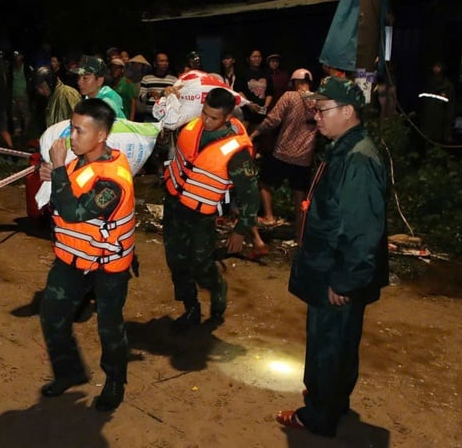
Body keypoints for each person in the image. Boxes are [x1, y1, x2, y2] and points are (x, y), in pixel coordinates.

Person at [276, 76, 388, 438]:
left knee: (328, 344)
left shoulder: (358, 158)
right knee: (338, 343)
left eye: (322, 109)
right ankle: (332, 400)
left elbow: (361, 229)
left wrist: (344, 280)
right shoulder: (345, 148)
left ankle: (318, 415)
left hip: (335, 275)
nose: (316, 116)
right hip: (331, 269)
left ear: (348, 111)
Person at [37, 98, 136, 412]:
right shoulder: (79, 161)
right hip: (72, 259)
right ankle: (68, 373)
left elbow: (73, 211)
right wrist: (54, 173)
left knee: (109, 326)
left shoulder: (114, 180)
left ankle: (115, 381)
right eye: (71, 128)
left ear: (101, 135)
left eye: (80, 131)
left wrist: (57, 169)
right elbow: (69, 188)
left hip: (107, 266)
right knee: (52, 314)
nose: (72, 136)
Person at [162, 87, 268, 331]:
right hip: (174, 204)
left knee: (200, 264)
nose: (206, 121)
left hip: (201, 215)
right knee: (176, 260)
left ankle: (217, 288)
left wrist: (240, 231)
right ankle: (191, 308)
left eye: (213, 118)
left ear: (228, 117)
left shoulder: (237, 153)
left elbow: (250, 197)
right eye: (204, 114)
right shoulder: (193, 127)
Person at [249, 68, 318, 239]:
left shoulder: (289, 96)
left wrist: (254, 134)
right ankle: (299, 232)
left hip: (283, 152)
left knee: (263, 183)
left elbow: (272, 120)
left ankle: (269, 217)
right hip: (304, 157)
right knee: (300, 194)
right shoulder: (319, 100)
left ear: (294, 82)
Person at [419, 60, 456, 143]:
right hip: (426, 126)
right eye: (435, 67)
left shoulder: (448, 87)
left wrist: (447, 131)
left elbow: (450, 109)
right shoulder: (427, 84)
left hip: (439, 127)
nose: (436, 69)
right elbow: (420, 105)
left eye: (438, 67)